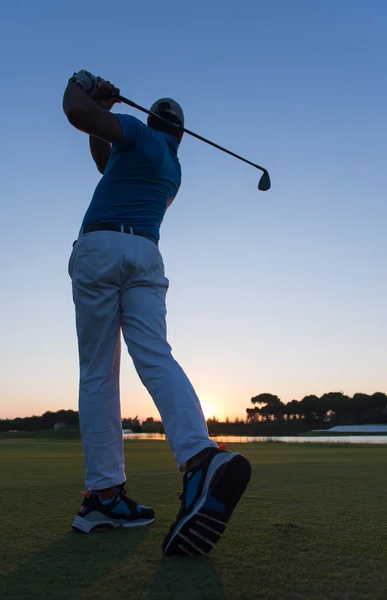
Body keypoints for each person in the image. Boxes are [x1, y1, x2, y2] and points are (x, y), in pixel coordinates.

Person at [63, 70, 251, 555]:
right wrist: (103, 118)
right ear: (182, 136)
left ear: (148, 120)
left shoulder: (141, 135)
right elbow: (104, 158)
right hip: (145, 256)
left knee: (99, 373)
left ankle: (103, 494)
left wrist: (83, 86)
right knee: (156, 357)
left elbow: (77, 113)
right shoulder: (170, 166)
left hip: (102, 246)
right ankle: (199, 457)